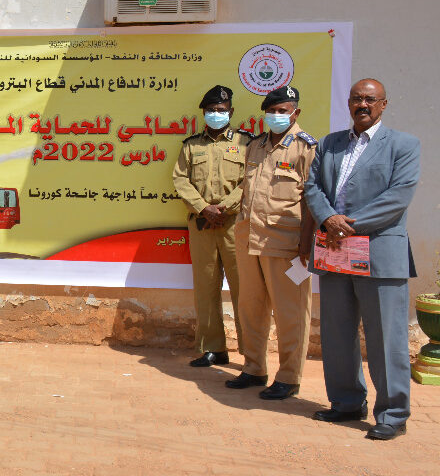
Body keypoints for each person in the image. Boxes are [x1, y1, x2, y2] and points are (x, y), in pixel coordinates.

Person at [304, 79, 420, 441]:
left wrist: (346, 225)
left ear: (384, 104)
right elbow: (312, 187)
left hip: (380, 253)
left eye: (370, 99)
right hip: (335, 252)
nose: (363, 104)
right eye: (357, 98)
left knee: (386, 338)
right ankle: (347, 402)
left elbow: (398, 197)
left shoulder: (404, 145)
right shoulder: (330, 143)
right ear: (349, 103)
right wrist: (328, 218)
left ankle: (393, 414)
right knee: (337, 333)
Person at [225, 85, 316, 401]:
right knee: (251, 308)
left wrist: (306, 245)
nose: (276, 115)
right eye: (271, 111)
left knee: (291, 313)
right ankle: (254, 368)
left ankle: (289, 377)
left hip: (287, 244)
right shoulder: (256, 145)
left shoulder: (306, 148)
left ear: (295, 112)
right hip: (249, 239)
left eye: (282, 110)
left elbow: (313, 199)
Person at [172, 85, 254, 367]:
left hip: (235, 224)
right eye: (210, 110)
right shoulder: (191, 145)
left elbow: (251, 179)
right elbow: (180, 179)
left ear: (230, 112)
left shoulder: (246, 143)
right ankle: (213, 348)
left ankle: (251, 352)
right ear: (204, 113)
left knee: (244, 289)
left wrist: (225, 207)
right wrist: (204, 208)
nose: (215, 114)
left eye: (221, 110)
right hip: (202, 224)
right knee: (205, 288)